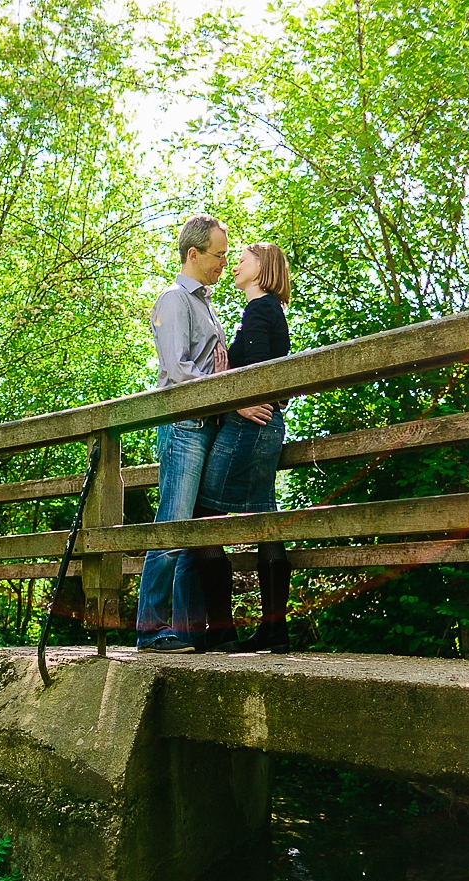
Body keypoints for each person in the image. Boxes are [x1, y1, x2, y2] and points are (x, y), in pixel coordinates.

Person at [135, 216, 278, 653]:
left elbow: (217, 366)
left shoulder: (206, 303)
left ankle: (184, 629)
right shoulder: (174, 300)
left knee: (192, 533)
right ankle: (150, 629)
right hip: (184, 427)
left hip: (207, 426)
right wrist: (235, 401)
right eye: (218, 255)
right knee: (173, 526)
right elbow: (178, 370)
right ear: (193, 254)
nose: (223, 263)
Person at [188, 242, 292, 654]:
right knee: (265, 516)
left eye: (243, 259)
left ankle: (222, 629)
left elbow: (261, 375)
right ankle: (273, 630)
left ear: (262, 267)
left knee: (205, 516)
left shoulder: (260, 309)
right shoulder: (267, 311)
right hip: (265, 426)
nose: (234, 265)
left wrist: (228, 385)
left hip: (250, 426)